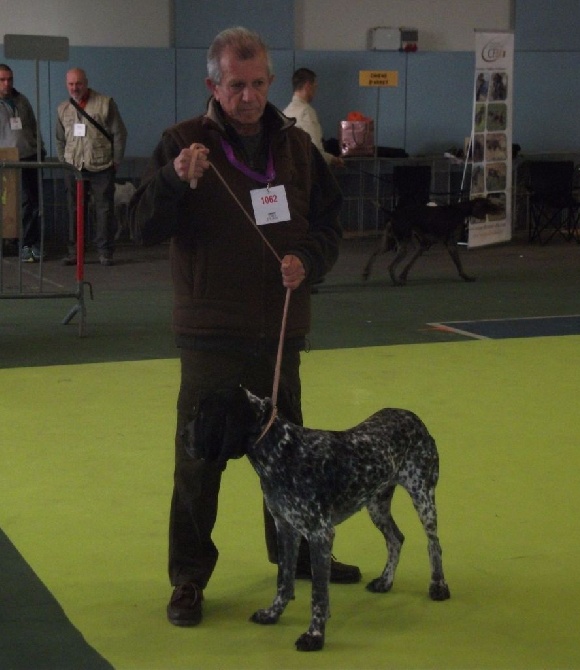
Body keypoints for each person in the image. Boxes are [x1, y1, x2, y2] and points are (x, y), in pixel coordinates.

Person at [129, 26, 360, 628]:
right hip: (212, 333)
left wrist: (308, 261)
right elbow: (139, 227)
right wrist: (176, 178)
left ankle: (300, 557)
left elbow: (331, 224)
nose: (250, 96)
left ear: (272, 83)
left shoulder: (298, 147)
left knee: (289, 458)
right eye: (237, 85)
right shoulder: (181, 143)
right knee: (199, 462)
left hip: (281, 330)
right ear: (213, 84)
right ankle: (188, 580)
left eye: (259, 84)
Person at [56, 67, 127, 266]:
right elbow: (60, 139)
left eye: (78, 83)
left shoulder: (105, 104)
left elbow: (119, 133)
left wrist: (117, 160)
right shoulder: (63, 109)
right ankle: (75, 252)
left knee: (104, 210)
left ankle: (105, 252)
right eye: (70, 84)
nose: (74, 87)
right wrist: (64, 161)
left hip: (101, 165)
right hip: (74, 167)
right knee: (74, 209)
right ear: (66, 85)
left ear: (86, 83)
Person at [0, 63, 45, 262]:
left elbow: (33, 126)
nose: (7, 83)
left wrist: (40, 148)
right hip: (4, 160)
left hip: (27, 157)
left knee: (31, 202)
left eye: (9, 79)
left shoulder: (22, 100)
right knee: (5, 204)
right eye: (2, 80)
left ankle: (28, 244)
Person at [283, 67, 345, 168]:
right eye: (315, 87)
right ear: (308, 86)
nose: (315, 91)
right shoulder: (306, 112)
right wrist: (333, 160)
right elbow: (315, 152)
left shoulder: (286, 112)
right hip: (305, 172)